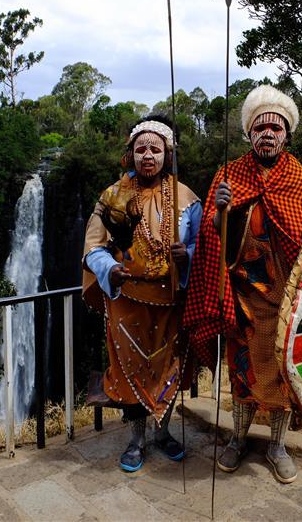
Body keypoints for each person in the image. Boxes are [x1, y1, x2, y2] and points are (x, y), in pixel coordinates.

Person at [183, 85, 302, 484]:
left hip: (291, 305)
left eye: (275, 128)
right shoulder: (229, 176)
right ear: (249, 135)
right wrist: (222, 210)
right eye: (260, 128)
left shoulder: (301, 180)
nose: (268, 134)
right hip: (243, 300)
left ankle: (277, 446)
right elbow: (212, 239)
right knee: (242, 376)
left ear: (286, 136)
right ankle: (238, 439)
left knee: (287, 375)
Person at [82, 115, 203, 472]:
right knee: (130, 371)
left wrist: (189, 255)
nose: (147, 155)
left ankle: (162, 432)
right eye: (140, 149)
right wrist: (110, 269)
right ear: (130, 155)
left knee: (167, 369)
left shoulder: (187, 197)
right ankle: (136, 439)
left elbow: (202, 244)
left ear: (167, 154)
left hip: (170, 302)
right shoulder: (112, 197)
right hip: (127, 303)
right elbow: (93, 245)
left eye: (155, 149)